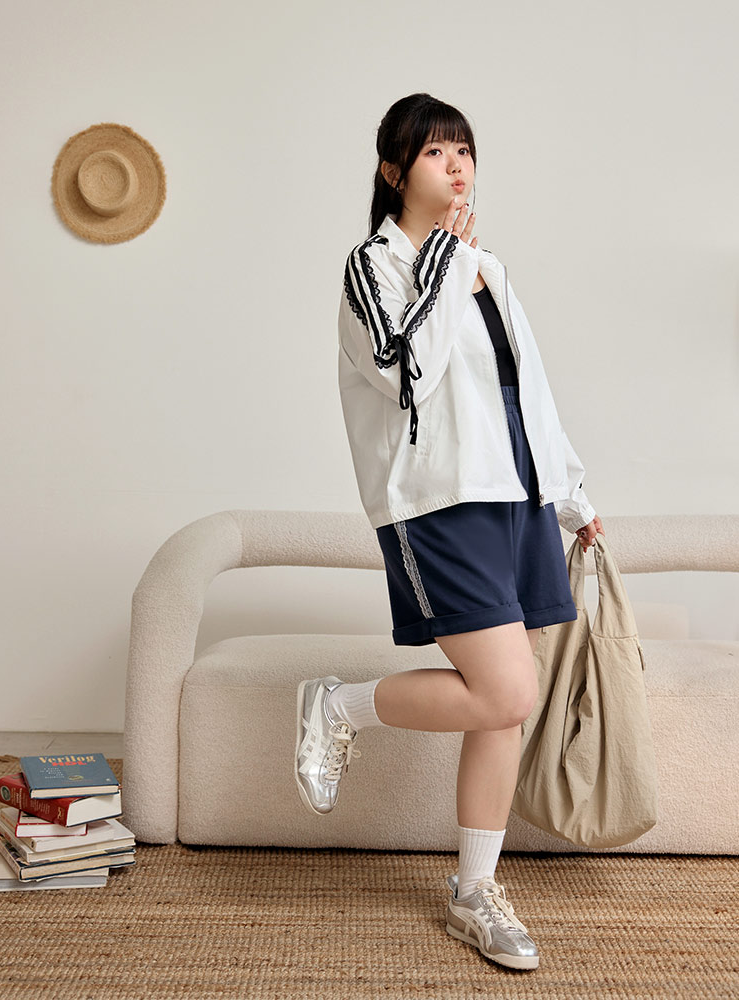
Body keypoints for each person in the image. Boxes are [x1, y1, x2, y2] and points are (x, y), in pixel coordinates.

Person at [294, 93, 605, 972]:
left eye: (464, 148)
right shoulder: (374, 266)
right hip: (436, 503)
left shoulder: (487, 268)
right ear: (394, 171)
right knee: (507, 692)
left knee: (504, 707)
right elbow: (405, 373)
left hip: (517, 499)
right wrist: (442, 261)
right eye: (435, 152)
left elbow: (525, 391)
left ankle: (474, 893)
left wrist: (571, 494)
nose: (457, 163)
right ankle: (339, 706)